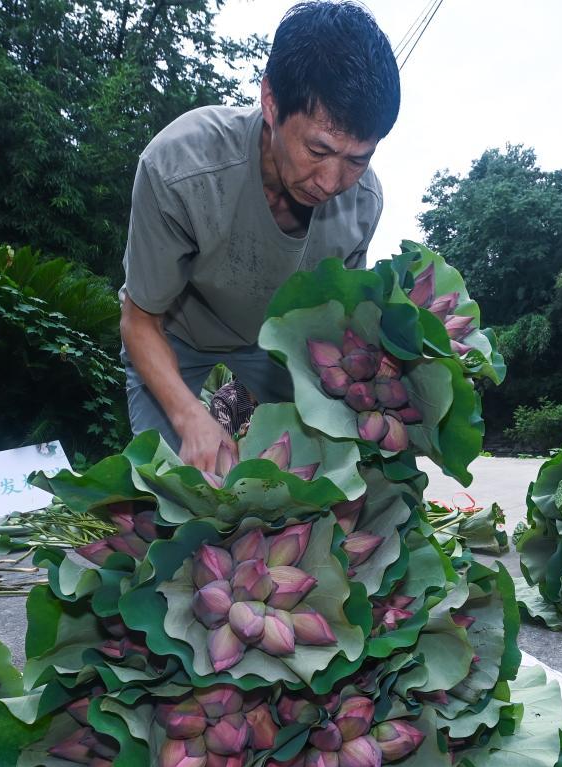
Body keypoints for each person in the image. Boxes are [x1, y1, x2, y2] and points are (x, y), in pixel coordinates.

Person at [120, 0, 400, 473]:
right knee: (173, 485)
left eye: (358, 159)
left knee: (311, 476)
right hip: (176, 334)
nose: (332, 182)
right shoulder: (180, 168)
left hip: (275, 346)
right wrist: (191, 417)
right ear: (271, 101)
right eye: (318, 149)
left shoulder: (363, 203)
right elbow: (138, 321)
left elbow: (334, 327)